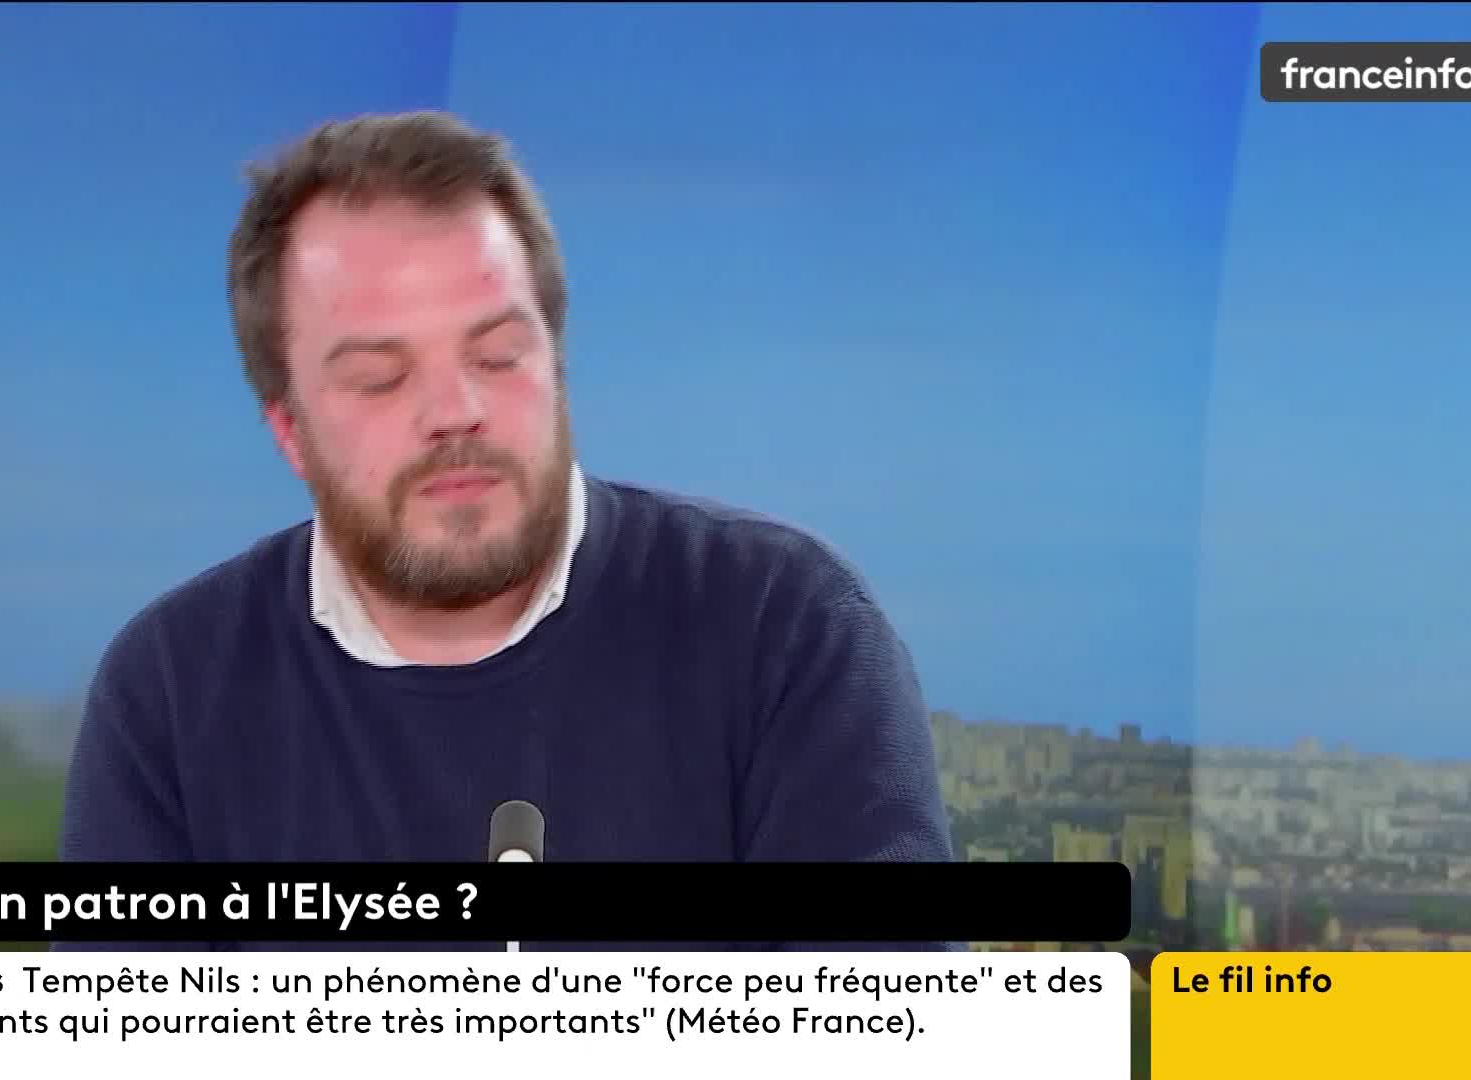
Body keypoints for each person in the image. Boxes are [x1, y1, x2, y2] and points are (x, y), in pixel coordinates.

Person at [57, 110, 953, 949]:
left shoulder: (783, 627)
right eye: (379, 378)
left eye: (497, 355)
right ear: (289, 431)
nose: (456, 410)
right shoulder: (169, 692)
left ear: (557, 365)